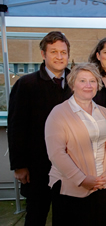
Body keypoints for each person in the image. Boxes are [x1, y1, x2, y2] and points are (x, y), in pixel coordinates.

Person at [7, 31, 72, 225]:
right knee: (36, 216)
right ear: (43, 54)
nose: (59, 57)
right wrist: (19, 165)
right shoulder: (26, 84)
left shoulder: (77, 83)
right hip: (37, 167)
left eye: (63, 52)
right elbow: (16, 126)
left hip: (70, 166)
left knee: (66, 217)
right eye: (54, 52)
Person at [44, 63, 106, 226]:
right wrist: (82, 179)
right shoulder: (58, 113)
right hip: (70, 187)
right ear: (73, 84)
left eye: (92, 81)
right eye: (82, 81)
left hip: (101, 185)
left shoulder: (104, 113)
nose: (88, 85)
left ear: (98, 85)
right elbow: (56, 153)